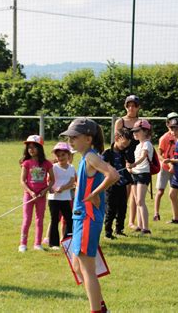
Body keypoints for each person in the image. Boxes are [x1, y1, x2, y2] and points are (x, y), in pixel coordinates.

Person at [60, 118, 119, 313]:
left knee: (87, 270)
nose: (70, 141)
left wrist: (94, 194)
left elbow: (113, 175)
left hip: (87, 218)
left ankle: (97, 311)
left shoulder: (91, 157)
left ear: (88, 138)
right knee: (77, 267)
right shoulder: (85, 158)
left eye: (74, 137)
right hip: (80, 218)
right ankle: (102, 308)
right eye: (69, 137)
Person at [19, 135, 55, 252]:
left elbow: (52, 180)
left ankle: (37, 244)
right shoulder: (26, 163)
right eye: (29, 147)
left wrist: (45, 190)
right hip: (29, 195)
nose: (31, 149)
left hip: (41, 196)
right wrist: (30, 192)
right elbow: (22, 181)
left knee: (39, 219)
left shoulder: (47, 164)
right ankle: (23, 244)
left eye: (34, 147)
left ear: (40, 148)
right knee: (27, 219)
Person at [114, 95, 140, 230]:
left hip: (137, 160)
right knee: (124, 192)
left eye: (134, 105)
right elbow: (116, 142)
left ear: (138, 107)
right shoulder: (120, 122)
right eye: (129, 105)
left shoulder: (141, 122)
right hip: (123, 161)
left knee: (136, 193)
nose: (131, 108)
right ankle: (118, 219)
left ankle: (131, 221)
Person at [102, 127, 133, 239]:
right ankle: (108, 232)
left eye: (127, 145)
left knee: (122, 208)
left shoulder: (124, 152)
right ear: (116, 138)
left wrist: (129, 166)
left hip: (122, 184)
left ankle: (119, 230)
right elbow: (103, 167)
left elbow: (129, 164)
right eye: (123, 144)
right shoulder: (107, 153)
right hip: (111, 185)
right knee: (111, 209)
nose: (125, 146)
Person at [47, 142, 76, 249]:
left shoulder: (71, 168)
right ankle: (53, 243)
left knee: (69, 219)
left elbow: (72, 182)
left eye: (63, 155)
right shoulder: (53, 167)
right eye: (58, 155)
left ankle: (68, 241)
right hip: (54, 199)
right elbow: (49, 181)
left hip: (65, 198)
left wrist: (63, 188)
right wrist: (51, 189)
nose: (60, 157)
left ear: (68, 155)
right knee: (54, 219)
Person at [127, 119, 153, 235]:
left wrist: (134, 164)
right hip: (135, 173)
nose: (134, 133)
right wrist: (130, 168)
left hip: (143, 174)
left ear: (145, 131)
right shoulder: (138, 145)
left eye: (137, 131)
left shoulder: (147, 144)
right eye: (134, 131)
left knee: (140, 200)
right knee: (137, 201)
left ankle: (146, 228)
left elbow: (143, 157)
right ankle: (140, 225)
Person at [153, 112, 178, 221]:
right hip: (165, 168)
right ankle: (156, 213)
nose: (173, 125)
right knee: (160, 191)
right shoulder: (164, 138)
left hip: (176, 167)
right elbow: (159, 154)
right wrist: (168, 163)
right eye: (171, 121)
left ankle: (176, 214)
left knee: (174, 192)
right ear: (167, 123)